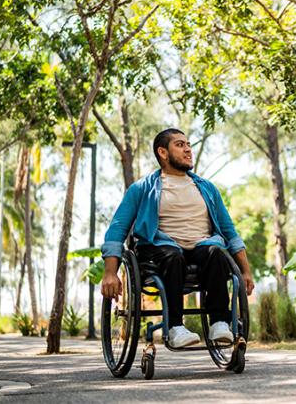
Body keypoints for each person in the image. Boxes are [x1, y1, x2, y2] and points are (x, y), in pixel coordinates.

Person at [100, 128, 254, 348]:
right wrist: (110, 273)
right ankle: (175, 327)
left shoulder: (207, 188)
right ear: (163, 152)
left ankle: (220, 323)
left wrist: (245, 270)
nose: (188, 149)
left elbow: (230, 232)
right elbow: (117, 229)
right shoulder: (142, 189)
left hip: (202, 247)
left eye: (188, 144)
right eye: (180, 145)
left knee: (217, 252)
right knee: (173, 256)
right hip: (160, 248)